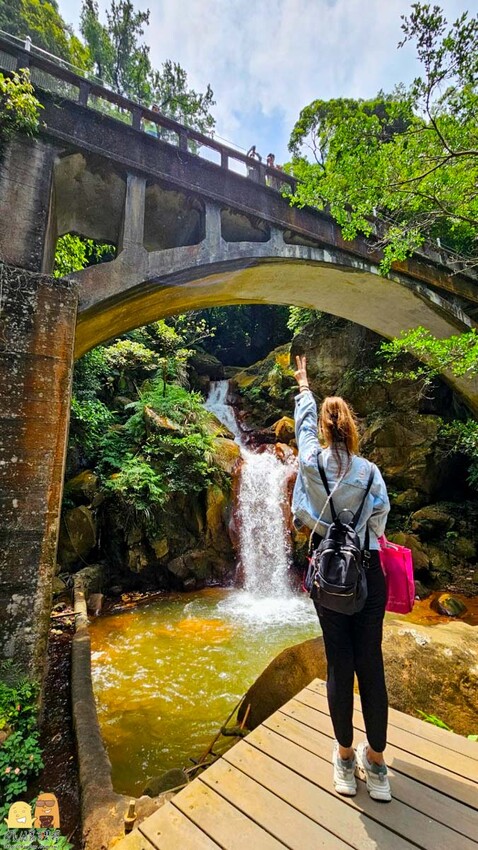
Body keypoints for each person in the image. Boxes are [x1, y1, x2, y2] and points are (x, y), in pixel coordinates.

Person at [292, 354, 392, 802]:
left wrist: (304, 388)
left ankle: (345, 760)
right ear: (351, 427)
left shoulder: (311, 463)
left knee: (339, 664)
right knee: (371, 664)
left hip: (329, 573)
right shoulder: (369, 472)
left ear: (325, 429)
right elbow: (381, 520)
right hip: (369, 571)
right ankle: (377, 764)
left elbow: (303, 433)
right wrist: (364, 534)